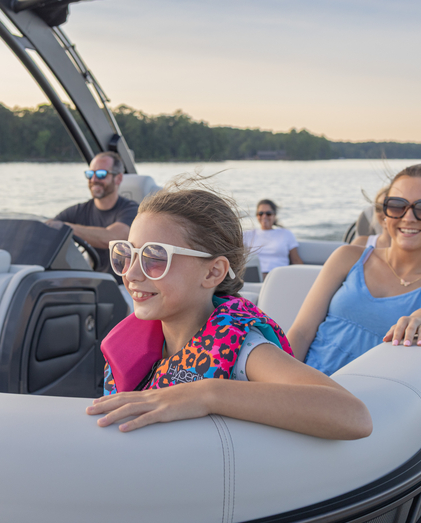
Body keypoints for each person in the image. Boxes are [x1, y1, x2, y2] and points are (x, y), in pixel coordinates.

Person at [87, 178, 372, 439]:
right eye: (127, 253)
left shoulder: (244, 350)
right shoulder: (146, 334)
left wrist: (208, 394)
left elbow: (353, 415)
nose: (132, 273)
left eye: (155, 257)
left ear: (213, 273)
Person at [287, 164, 421, 377]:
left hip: (363, 402)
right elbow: (302, 333)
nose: (408, 217)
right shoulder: (348, 257)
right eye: (397, 206)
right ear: (385, 213)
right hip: (303, 385)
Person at [47, 151, 139, 275]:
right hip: (91, 281)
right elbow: (50, 226)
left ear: (118, 178)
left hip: (123, 285)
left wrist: (66, 228)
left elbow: (112, 238)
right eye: (90, 174)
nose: (94, 179)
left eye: (101, 174)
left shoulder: (131, 210)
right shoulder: (79, 210)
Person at [243, 199, 303, 274]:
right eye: (260, 213)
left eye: (268, 213)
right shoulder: (247, 235)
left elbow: (296, 260)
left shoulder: (286, 234)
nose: (264, 216)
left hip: (279, 276)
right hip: (255, 277)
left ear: (274, 215)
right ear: (257, 215)